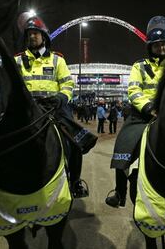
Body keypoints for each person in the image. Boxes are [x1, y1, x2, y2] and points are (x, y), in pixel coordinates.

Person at [14, 13, 97, 198]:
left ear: (44, 36)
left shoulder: (57, 60)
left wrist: (60, 98)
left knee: (75, 142)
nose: (32, 36)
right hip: (26, 111)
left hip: (53, 109)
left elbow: (68, 84)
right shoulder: (17, 60)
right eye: (29, 34)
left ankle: (75, 182)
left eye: (36, 33)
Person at [105, 16, 165, 208]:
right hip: (142, 116)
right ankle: (119, 192)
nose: (161, 48)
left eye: (163, 45)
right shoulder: (139, 66)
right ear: (150, 47)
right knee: (122, 147)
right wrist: (149, 108)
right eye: (156, 45)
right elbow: (134, 90)